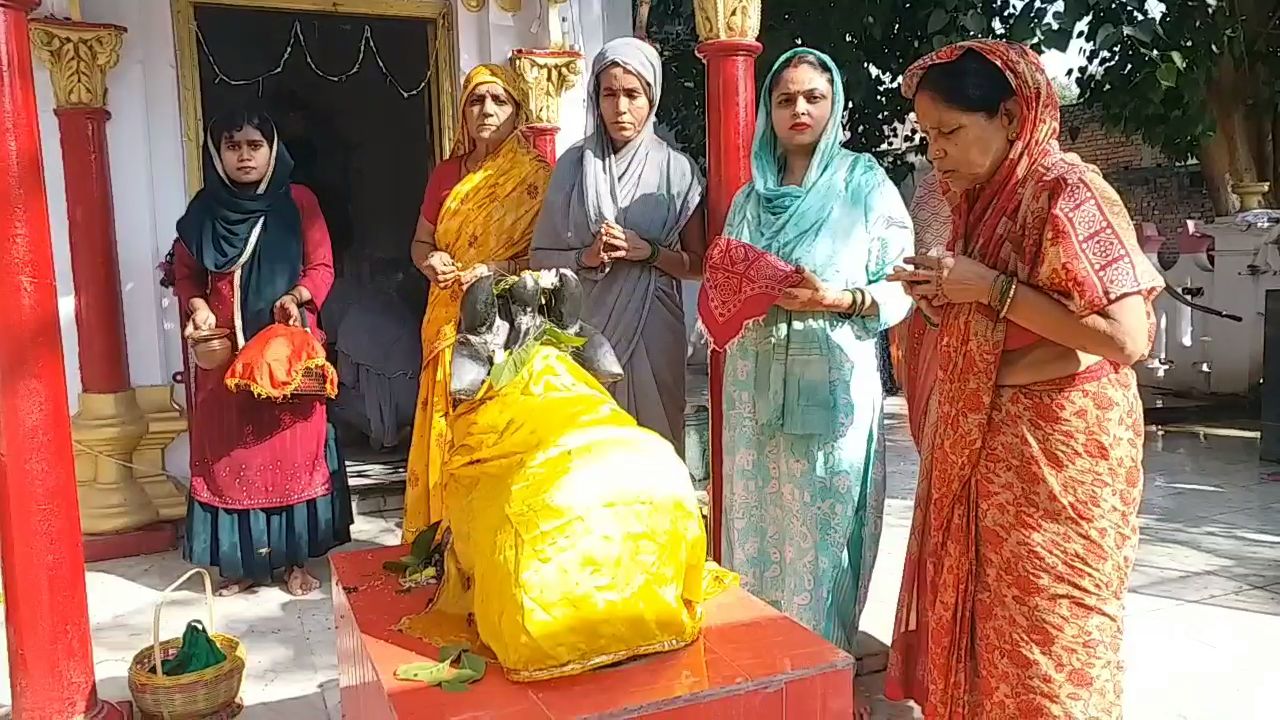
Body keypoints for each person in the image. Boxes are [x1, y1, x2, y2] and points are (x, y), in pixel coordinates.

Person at [884, 41, 1163, 719]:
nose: (937, 152)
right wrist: (942, 297)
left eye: (950, 132)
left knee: (1053, 641)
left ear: (1011, 115)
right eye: (928, 137)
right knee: (988, 635)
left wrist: (990, 291)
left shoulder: (1069, 191)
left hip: (1059, 466)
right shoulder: (977, 202)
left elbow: (1127, 337)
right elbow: (991, 318)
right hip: (990, 456)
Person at [709, 48, 913, 720]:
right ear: (769, 111)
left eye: (813, 98)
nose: (799, 110)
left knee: (824, 532)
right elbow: (726, 281)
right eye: (786, 99)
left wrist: (842, 301)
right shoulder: (748, 196)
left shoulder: (863, 183)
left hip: (832, 384)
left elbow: (903, 283)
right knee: (758, 529)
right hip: (754, 387)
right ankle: (762, 676)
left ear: (834, 106)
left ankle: (818, 687)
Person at [169, 107, 353, 597]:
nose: (244, 156)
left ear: (272, 150)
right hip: (224, 358)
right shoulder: (204, 209)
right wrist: (198, 307)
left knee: (292, 453)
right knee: (233, 457)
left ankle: (294, 563)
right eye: (233, 147)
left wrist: (295, 297)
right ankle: (244, 566)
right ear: (218, 154)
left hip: (285, 356)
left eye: (254, 145)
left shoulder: (299, 203)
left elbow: (322, 267)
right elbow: (185, 271)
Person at [531, 37, 706, 454]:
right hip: (585, 327)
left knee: (655, 447)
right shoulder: (572, 166)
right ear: (596, 96)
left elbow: (699, 264)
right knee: (588, 450)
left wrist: (649, 252)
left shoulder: (677, 170)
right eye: (609, 93)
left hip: (654, 326)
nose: (621, 108)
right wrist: (585, 257)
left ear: (652, 97)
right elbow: (539, 258)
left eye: (633, 94)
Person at [403, 64, 552, 542]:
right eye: (475, 100)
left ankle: (491, 537)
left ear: (517, 111)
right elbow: (420, 244)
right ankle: (441, 534)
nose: (486, 110)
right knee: (446, 420)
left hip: (505, 326)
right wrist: (434, 263)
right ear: (463, 112)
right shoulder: (446, 175)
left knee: (493, 425)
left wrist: (495, 270)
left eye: (499, 101)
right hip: (446, 318)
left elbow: (546, 258)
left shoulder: (537, 179)